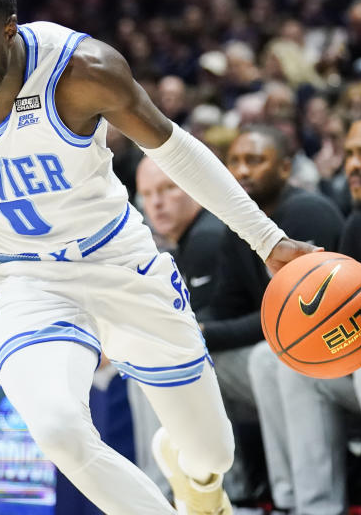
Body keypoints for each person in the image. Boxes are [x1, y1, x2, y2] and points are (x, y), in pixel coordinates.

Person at [0, 0, 316, 515]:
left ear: (9, 30)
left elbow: (177, 151)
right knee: (60, 429)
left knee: (214, 453)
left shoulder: (82, 71)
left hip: (118, 262)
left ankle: (198, 482)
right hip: (25, 277)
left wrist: (270, 241)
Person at [250, 111, 361, 515]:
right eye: (351, 153)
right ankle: (310, 506)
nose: (355, 164)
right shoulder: (359, 223)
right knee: (287, 361)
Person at [217, 127, 344, 510]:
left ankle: (297, 500)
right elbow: (226, 305)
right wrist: (185, 329)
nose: (242, 170)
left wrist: (207, 331)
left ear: (286, 168)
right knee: (176, 358)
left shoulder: (308, 212)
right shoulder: (236, 225)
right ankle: (223, 495)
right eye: (235, 161)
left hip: (332, 342)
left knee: (272, 357)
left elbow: (302, 318)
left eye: (255, 160)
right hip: (277, 347)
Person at [127, 156, 227, 497]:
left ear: (194, 190)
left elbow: (212, 318)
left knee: (153, 367)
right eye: (147, 194)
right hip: (224, 347)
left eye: (168, 189)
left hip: (242, 350)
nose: (156, 203)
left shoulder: (208, 238)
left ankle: (166, 493)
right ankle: (159, 489)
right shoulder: (186, 241)